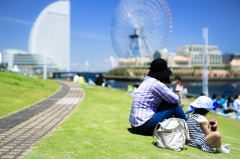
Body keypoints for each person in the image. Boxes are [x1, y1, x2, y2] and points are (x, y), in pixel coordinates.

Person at [129, 58, 186, 136]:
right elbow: (175, 99)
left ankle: (180, 128)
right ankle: (189, 129)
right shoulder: (156, 83)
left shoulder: (146, 81)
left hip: (134, 125)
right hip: (144, 126)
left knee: (165, 103)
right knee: (174, 105)